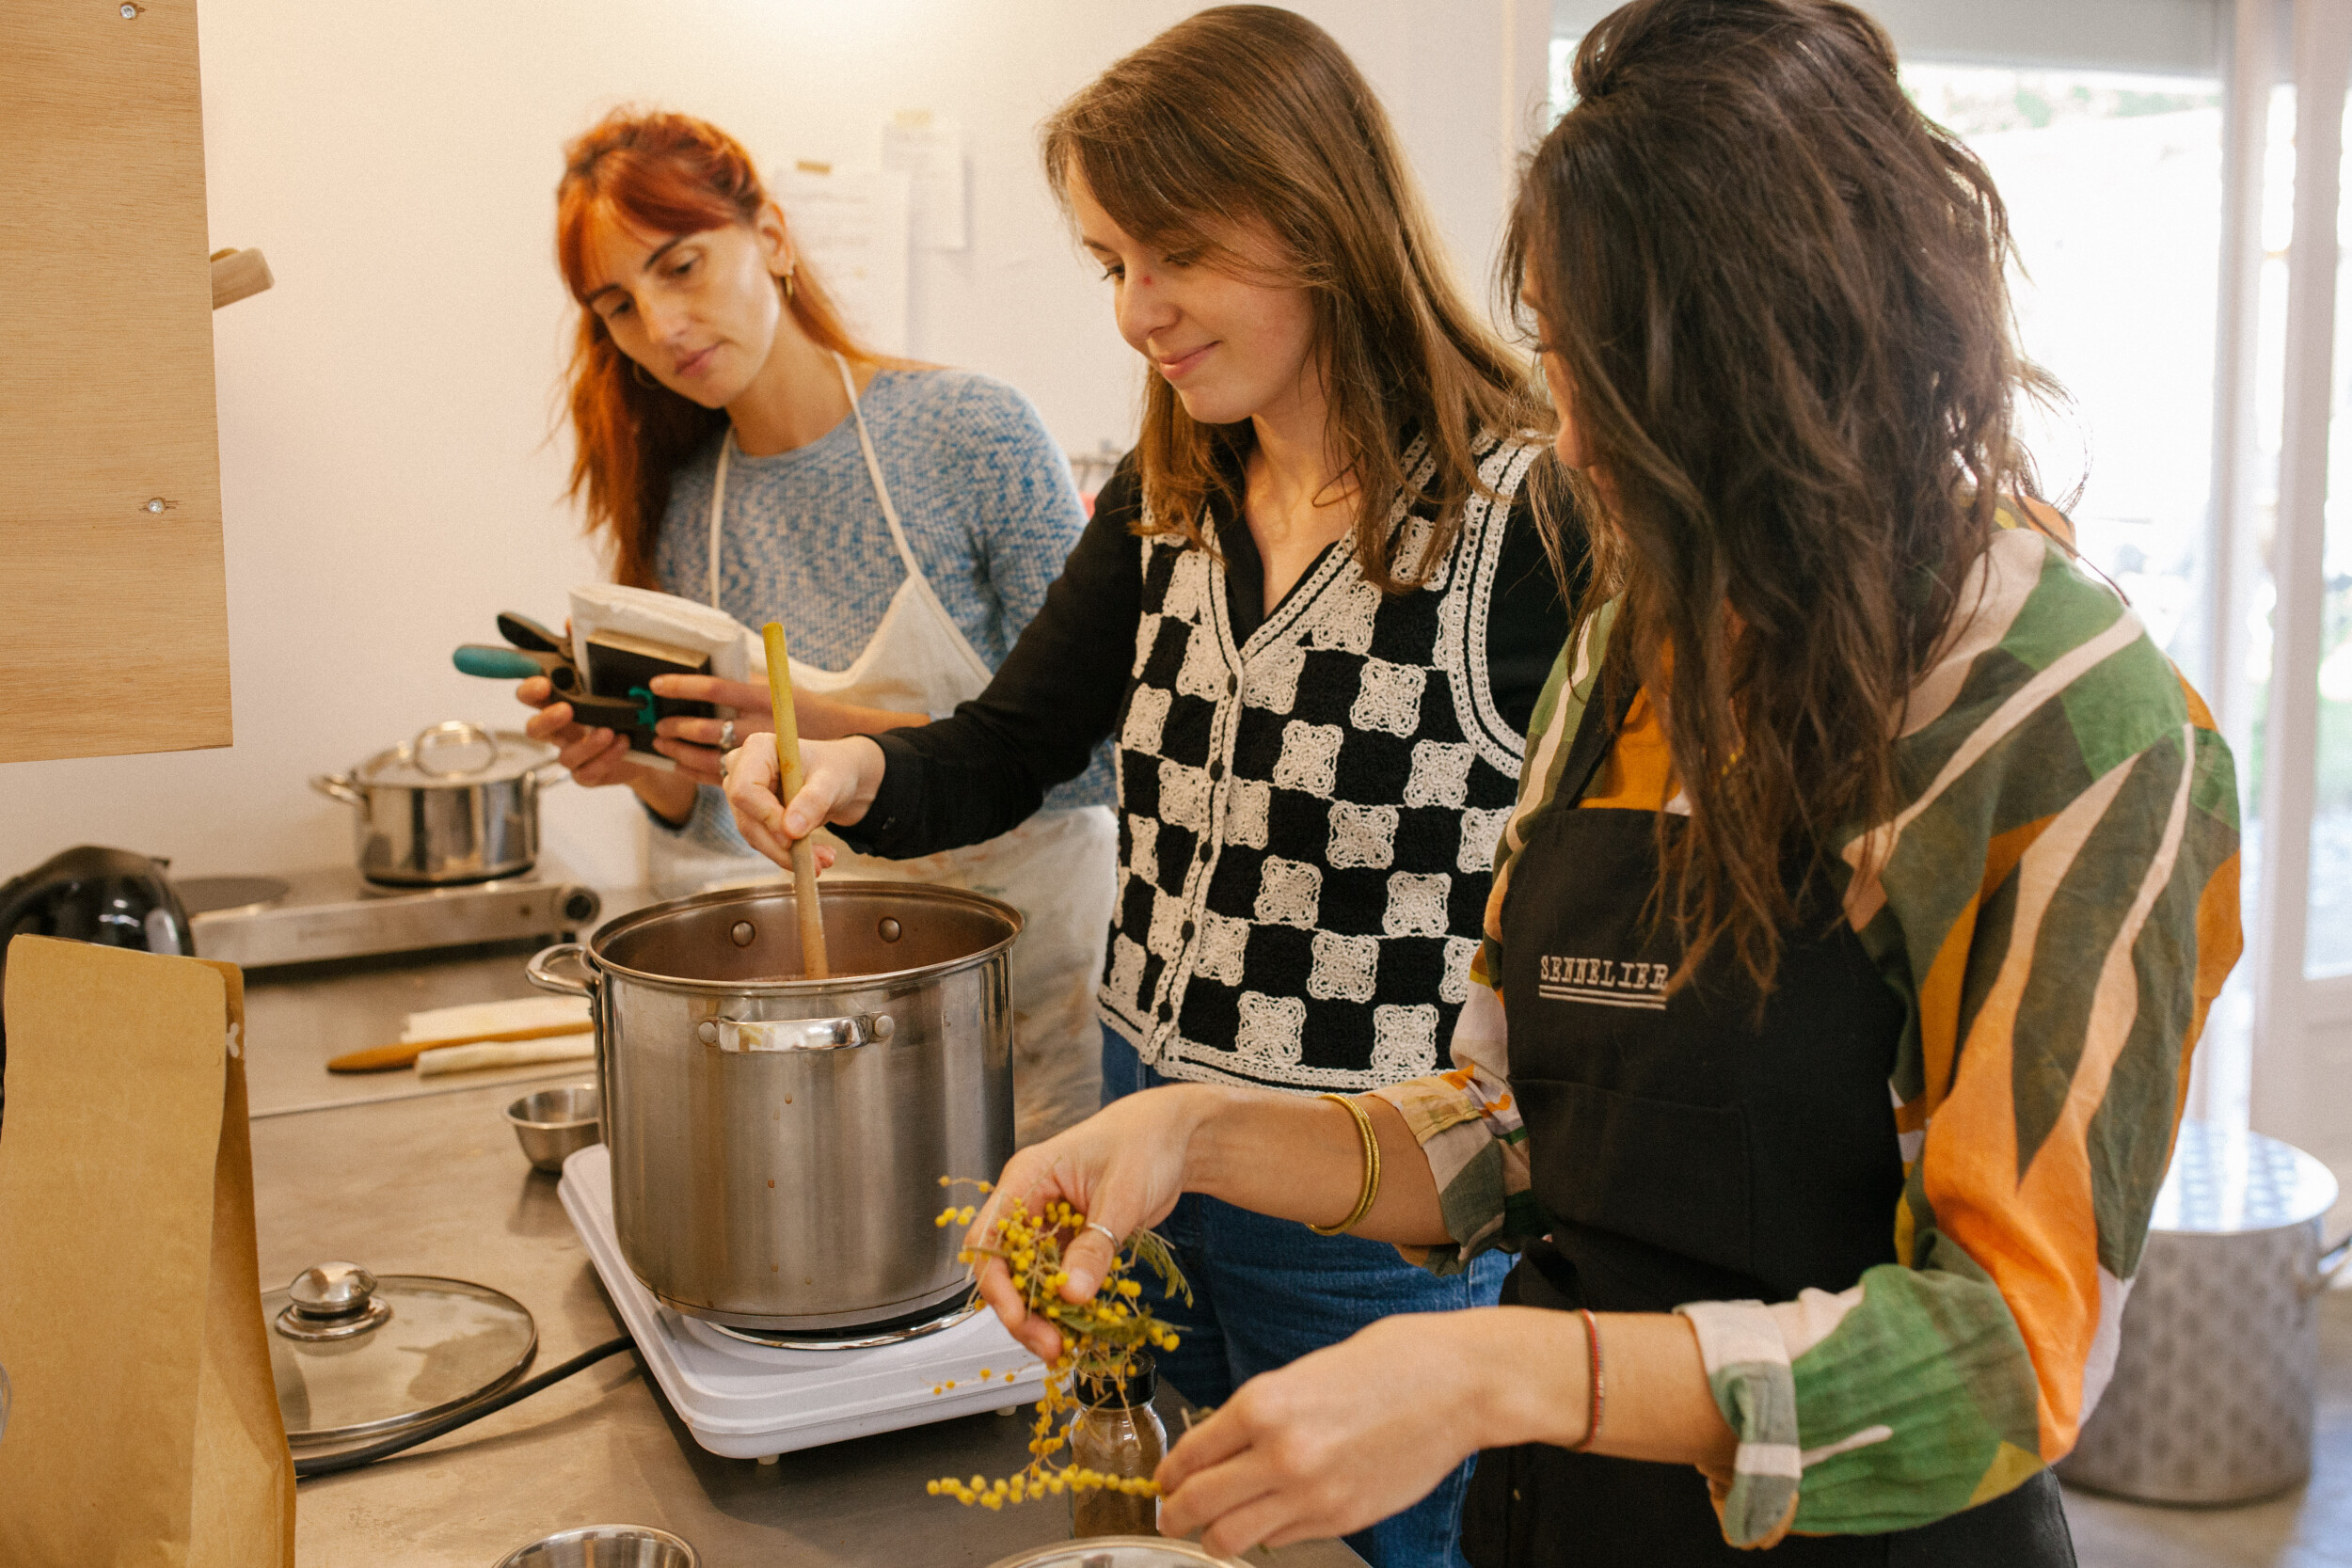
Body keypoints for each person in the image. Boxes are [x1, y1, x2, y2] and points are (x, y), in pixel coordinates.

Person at [951, 2, 2244, 1563]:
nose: (1570, 435)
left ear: (1796, 354)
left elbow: (2008, 1354)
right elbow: (1516, 1122)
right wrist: (1195, 1136)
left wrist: (1497, 1366)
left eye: (1612, 384)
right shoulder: (1642, 638)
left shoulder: (2054, 711)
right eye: (1563, 364)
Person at [723, 10, 1577, 1564]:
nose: (1136, 311)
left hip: (1369, 1213)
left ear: (1318, 217)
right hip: (1138, 1148)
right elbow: (1011, 741)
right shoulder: (1166, 493)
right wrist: (853, 768)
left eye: (1173, 253)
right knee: (1169, 1526)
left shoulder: (1527, 515)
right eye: (1110, 262)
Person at [523, 109, 1117, 1145]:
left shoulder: (971, 432)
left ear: (775, 240)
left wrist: (815, 727)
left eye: (682, 266)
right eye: (618, 305)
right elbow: (736, 822)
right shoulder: (688, 506)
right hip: (846, 995)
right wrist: (656, 773)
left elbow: (1103, 756)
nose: (660, 327)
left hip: (1030, 983)